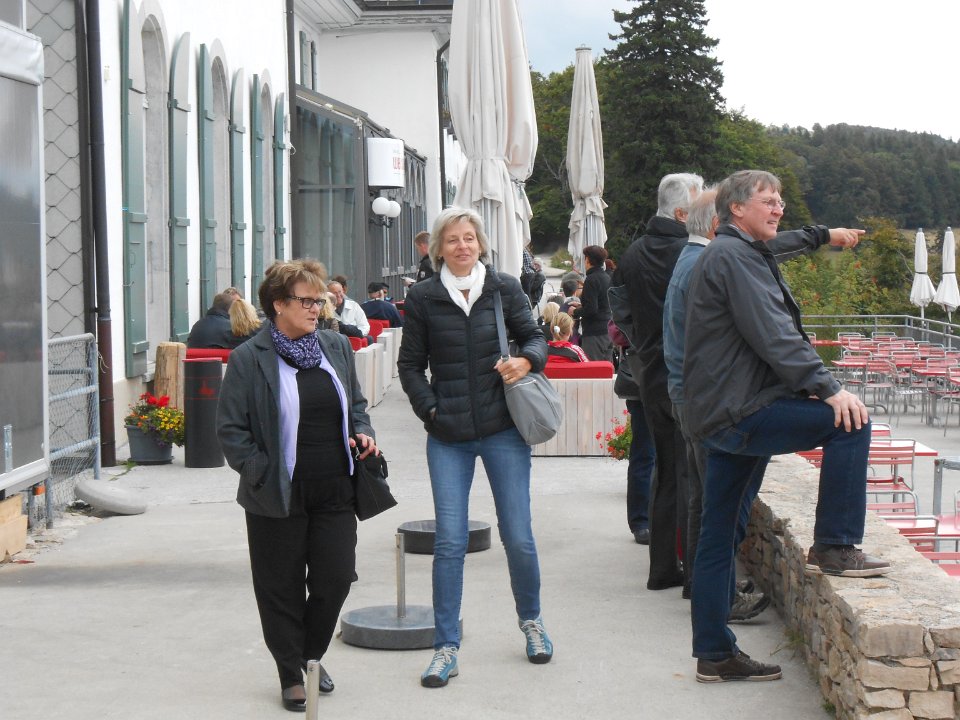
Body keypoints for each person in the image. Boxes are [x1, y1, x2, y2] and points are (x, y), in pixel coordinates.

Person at [683, 170, 887, 684]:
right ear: (736, 209)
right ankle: (835, 545)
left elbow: (780, 244)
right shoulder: (734, 259)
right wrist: (829, 388)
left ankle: (714, 655)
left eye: (779, 201)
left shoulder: (737, 251)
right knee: (849, 424)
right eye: (768, 201)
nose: (778, 208)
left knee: (719, 534)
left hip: (720, 412)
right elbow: (774, 335)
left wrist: (824, 236)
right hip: (742, 411)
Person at [398, 206, 552, 688]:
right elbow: (409, 365)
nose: (462, 246)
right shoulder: (423, 297)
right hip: (448, 437)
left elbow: (535, 337)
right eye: (452, 240)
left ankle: (532, 622)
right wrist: (431, 410)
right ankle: (445, 646)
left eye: (469, 238)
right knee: (449, 542)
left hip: (504, 428)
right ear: (438, 249)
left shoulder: (503, 288)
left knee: (519, 535)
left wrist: (527, 362)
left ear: (481, 244)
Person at [217, 259, 379, 711]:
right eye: (307, 301)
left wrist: (362, 430)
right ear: (278, 304)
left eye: (319, 300)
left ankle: (309, 656)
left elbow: (357, 404)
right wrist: (259, 471)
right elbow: (231, 430)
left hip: (336, 487)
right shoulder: (249, 358)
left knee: (335, 578)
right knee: (280, 587)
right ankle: (292, 672)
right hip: (277, 492)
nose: (317, 309)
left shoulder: (335, 346)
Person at [613, 172, 704, 591]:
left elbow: (620, 312)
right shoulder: (691, 252)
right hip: (685, 375)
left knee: (666, 471)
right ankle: (696, 575)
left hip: (649, 372)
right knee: (692, 476)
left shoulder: (633, 253)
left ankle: (663, 568)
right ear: (683, 213)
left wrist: (644, 347)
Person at [608, 320, 654, 545]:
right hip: (642, 377)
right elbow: (616, 332)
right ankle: (641, 521)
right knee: (644, 453)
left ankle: (649, 520)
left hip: (665, 376)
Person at [573, 245, 613, 362]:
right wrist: (582, 306)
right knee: (607, 369)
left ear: (588, 260)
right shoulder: (606, 277)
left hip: (594, 333)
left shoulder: (591, 279)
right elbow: (602, 303)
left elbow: (591, 309)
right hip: (607, 330)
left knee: (592, 369)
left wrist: (575, 311)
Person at [328, 279, 371, 343]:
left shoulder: (354, 306)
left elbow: (364, 326)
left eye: (340, 292)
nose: (338, 295)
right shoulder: (325, 310)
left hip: (355, 341)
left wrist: (357, 335)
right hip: (335, 342)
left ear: (343, 291)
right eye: (334, 293)